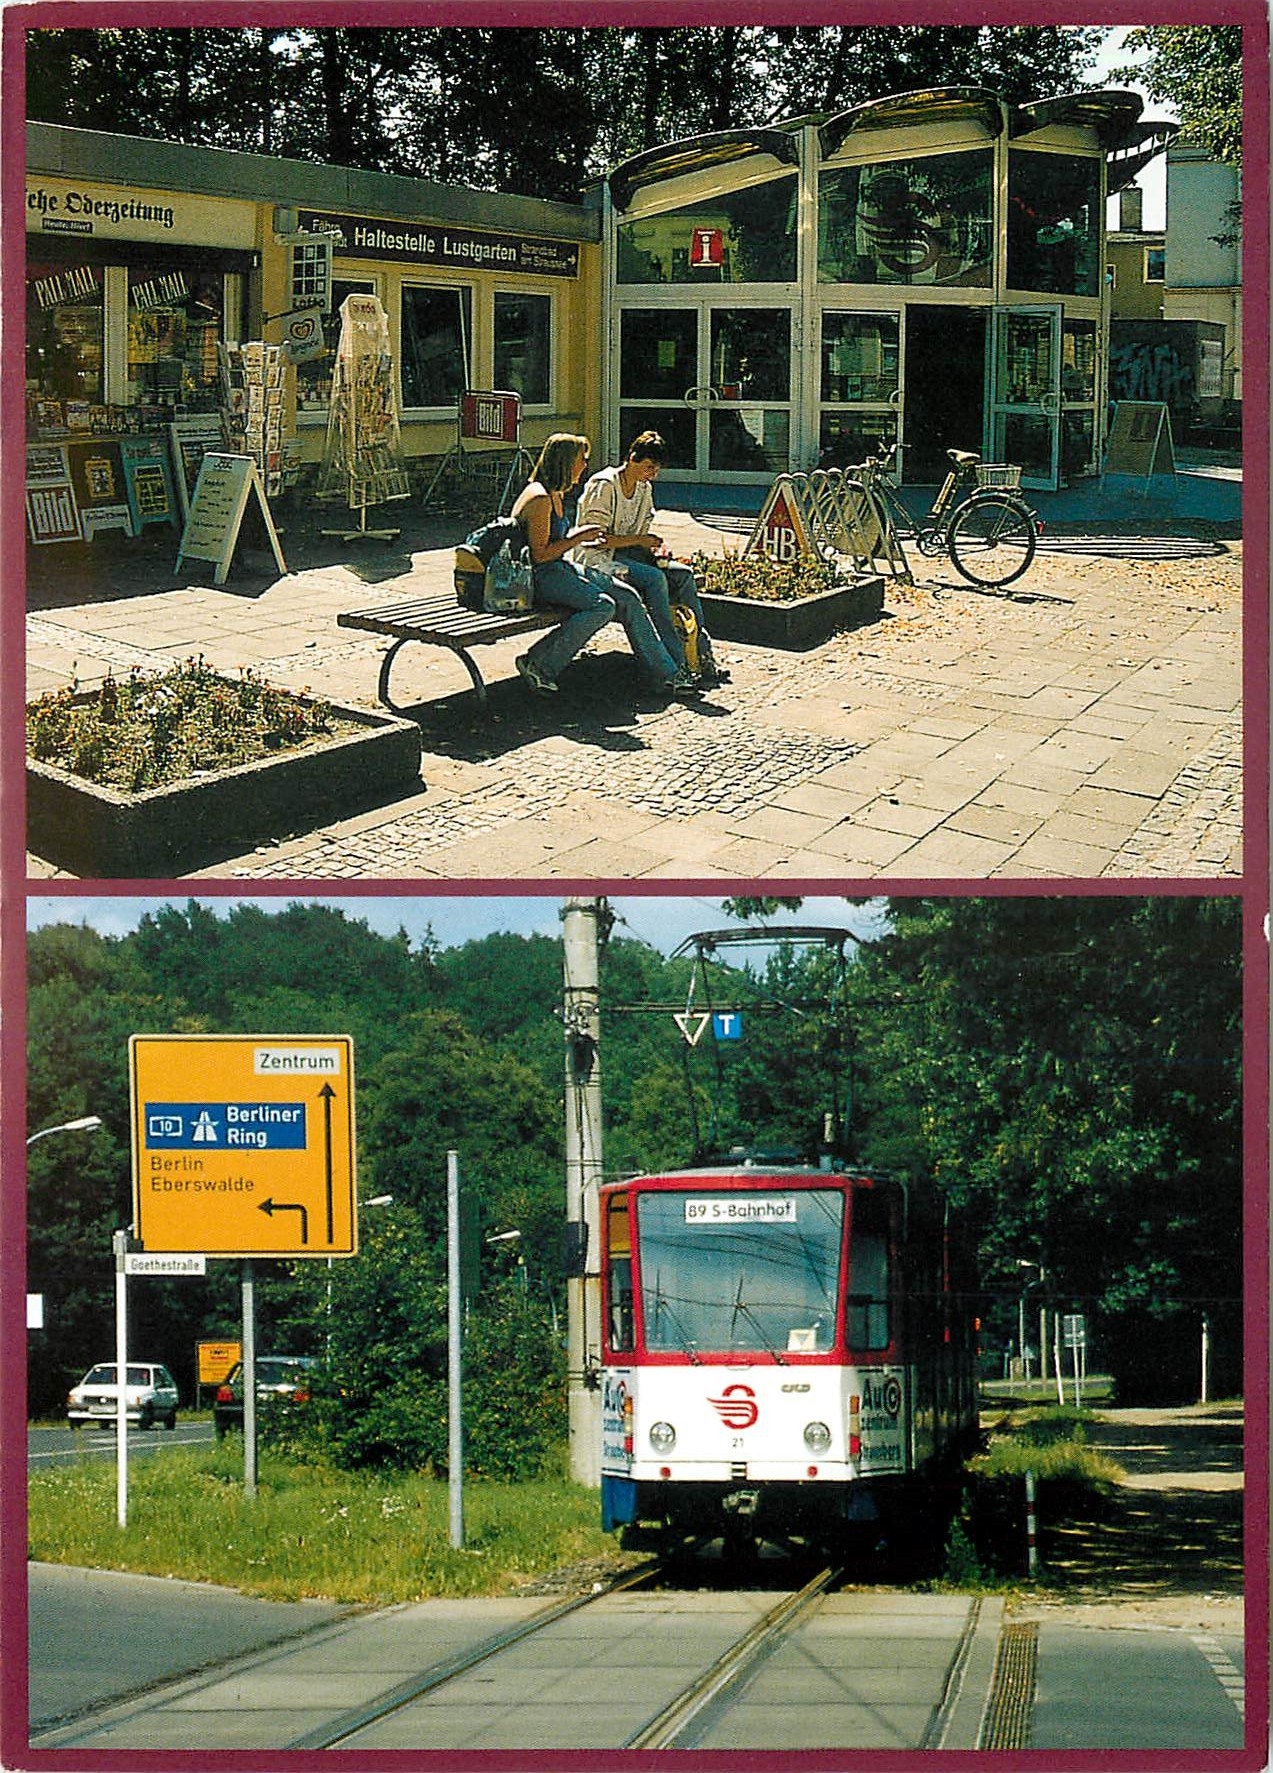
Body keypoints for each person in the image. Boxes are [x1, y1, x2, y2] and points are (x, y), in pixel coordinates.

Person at [510, 434, 693, 697]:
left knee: (628, 597)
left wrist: (577, 537)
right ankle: (539, 663)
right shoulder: (540, 498)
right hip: (536, 576)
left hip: (557, 568)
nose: (585, 465)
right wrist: (577, 538)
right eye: (582, 459)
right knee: (603, 606)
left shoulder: (555, 493)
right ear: (565, 462)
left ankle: (667, 674)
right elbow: (540, 556)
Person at [575, 431, 728, 687]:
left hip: (630, 555)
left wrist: (655, 550)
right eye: (648, 467)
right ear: (632, 458)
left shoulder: (644, 487)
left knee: (683, 575)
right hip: (599, 559)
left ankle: (702, 653)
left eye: (657, 470)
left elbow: (642, 534)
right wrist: (640, 541)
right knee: (655, 579)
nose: (653, 474)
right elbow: (596, 539)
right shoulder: (605, 484)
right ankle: (675, 660)